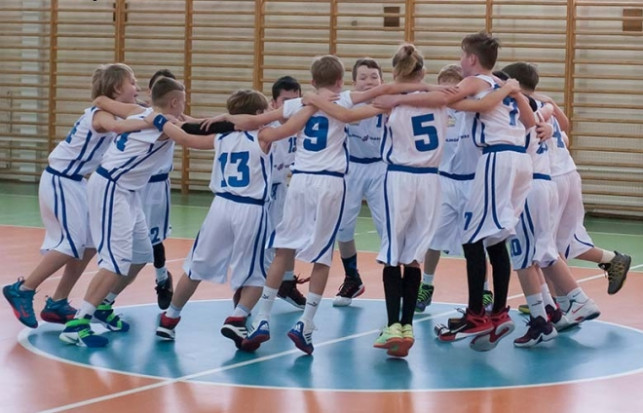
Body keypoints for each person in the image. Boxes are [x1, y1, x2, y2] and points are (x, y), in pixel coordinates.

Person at [212, 55, 426, 355]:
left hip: (300, 179)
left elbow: (257, 121)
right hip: (330, 181)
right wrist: (424, 88)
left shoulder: (296, 105)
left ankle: (262, 318)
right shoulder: (345, 99)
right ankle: (306, 323)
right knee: (322, 257)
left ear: (312, 81)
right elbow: (382, 91)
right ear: (340, 80)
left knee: (283, 250)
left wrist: (219, 121)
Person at [58, 77, 218, 347]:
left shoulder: (140, 111)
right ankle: (78, 323)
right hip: (111, 187)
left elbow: (101, 99)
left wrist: (233, 123)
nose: (185, 105)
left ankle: (103, 305)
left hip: (129, 191)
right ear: (174, 102)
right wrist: (237, 136)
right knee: (116, 260)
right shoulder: (161, 125)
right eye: (184, 100)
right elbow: (192, 140)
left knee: (141, 253)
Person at [155, 90, 317, 349]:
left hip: (220, 207)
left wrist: (161, 121)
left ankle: (169, 318)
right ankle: (238, 317)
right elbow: (293, 126)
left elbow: (185, 138)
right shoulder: (263, 135)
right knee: (259, 273)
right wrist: (312, 105)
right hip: (251, 209)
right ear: (257, 114)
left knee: (195, 268)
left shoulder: (220, 137)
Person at [2, 63, 151, 328]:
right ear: (117, 88)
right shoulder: (101, 115)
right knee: (70, 244)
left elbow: (136, 113)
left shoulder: (114, 111)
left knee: (90, 243)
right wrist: (150, 120)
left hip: (77, 182)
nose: (137, 87)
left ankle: (58, 301)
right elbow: (117, 127)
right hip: (60, 179)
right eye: (132, 82)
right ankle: (22, 289)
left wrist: (151, 114)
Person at [427, 32, 536, 351]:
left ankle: (479, 314)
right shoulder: (504, 86)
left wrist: (407, 94)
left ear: (472, 59)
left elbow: (448, 98)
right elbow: (530, 121)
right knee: (495, 237)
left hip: (497, 158)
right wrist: (511, 91)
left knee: (473, 237)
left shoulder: (478, 81)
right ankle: (497, 311)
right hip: (519, 160)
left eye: (462, 56)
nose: (460, 62)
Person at [415, 64, 492, 313]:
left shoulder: (475, 109)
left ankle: (484, 290)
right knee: (434, 237)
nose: (448, 94)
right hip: (445, 180)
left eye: (454, 88)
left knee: (477, 241)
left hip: (473, 181)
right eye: (444, 89)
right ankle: (426, 285)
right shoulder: (437, 110)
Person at [332, 58, 387, 308]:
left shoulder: (388, 101)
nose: (369, 81)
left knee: (387, 228)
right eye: (363, 77)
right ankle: (352, 277)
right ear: (354, 82)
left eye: (374, 77)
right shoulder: (345, 102)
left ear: (382, 80)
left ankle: (395, 283)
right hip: (350, 167)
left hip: (380, 167)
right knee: (343, 227)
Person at [266, 76, 308, 310]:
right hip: (259, 193)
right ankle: (247, 290)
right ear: (274, 103)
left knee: (290, 238)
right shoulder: (266, 125)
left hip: (282, 189)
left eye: (296, 100)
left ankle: (287, 283)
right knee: (263, 245)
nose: (291, 106)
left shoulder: (302, 124)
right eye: (285, 101)